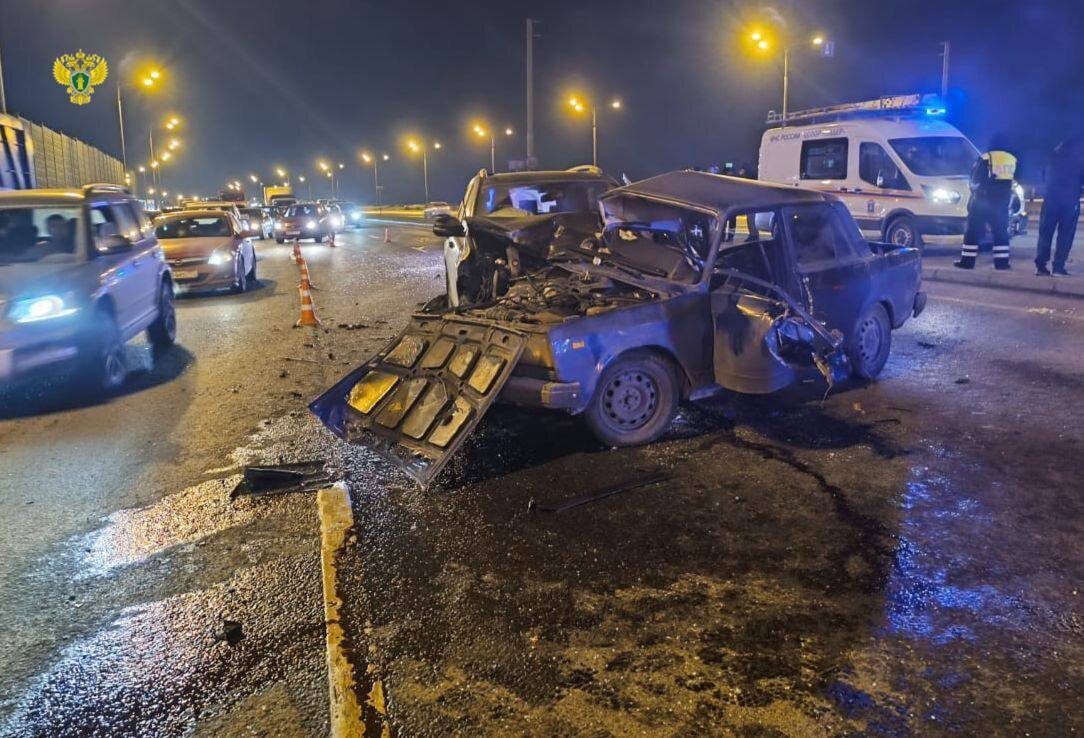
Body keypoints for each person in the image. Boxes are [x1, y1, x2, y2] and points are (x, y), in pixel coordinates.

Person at [955, 136, 1017, 270]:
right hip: (1002, 203)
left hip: (983, 202)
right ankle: (1002, 264)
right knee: (1001, 233)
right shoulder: (1011, 159)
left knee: (972, 232)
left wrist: (976, 192)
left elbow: (975, 180)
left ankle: (967, 262)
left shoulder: (986, 158)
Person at [1034, 137, 1084, 276]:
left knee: (1045, 233)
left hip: (1050, 200)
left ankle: (1041, 267)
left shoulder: (1051, 159)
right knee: (1065, 235)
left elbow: (1042, 176)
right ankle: (1058, 267)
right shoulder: (1078, 161)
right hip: (1069, 202)